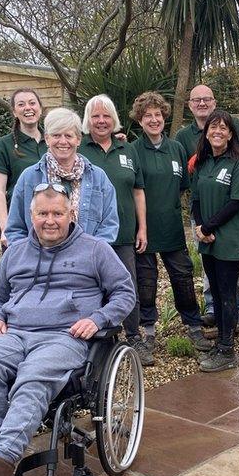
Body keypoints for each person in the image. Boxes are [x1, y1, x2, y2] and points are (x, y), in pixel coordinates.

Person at [0, 185, 134, 476]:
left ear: (71, 215)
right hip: (15, 334)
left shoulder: (95, 250)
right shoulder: (16, 252)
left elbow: (124, 293)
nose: (50, 221)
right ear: (31, 216)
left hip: (64, 338)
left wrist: (98, 318)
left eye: (57, 214)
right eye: (43, 214)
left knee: (33, 376)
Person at [127, 91, 212, 358]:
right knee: (146, 282)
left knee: (183, 277)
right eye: (147, 116)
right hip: (143, 230)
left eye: (157, 114)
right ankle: (148, 333)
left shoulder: (176, 148)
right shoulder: (131, 150)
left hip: (172, 227)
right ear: (139, 120)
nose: (154, 120)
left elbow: (184, 188)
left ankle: (194, 325)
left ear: (164, 116)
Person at [175, 84, 239, 333]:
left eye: (206, 99)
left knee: (230, 273)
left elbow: (238, 197)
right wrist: (200, 226)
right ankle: (214, 312)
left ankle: (234, 315)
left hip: (226, 221)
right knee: (211, 273)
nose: (202, 103)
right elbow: (184, 179)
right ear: (189, 105)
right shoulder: (184, 138)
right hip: (202, 217)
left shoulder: (236, 155)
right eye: (196, 100)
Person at [79, 94, 147, 354]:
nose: (101, 121)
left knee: (128, 285)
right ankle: (99, 338)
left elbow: (138, 190)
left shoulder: (127, 149)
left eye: (106, 116)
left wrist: (142, 228)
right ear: (87, 120)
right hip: (89, 237)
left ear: (114, 120)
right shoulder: (79, 149)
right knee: (91, 286)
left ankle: (133, 336)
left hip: (123, 236)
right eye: (95, 116)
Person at [4, 108, 119, 244]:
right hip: (40, 260)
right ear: (47, 139)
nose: (63, 141)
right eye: (56, 135)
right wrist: (31, 256)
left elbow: (109, 226)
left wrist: (91, 254)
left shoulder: (98, 177)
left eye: (68, 136)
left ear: (78, 139)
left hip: (86, 261)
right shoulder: (29, 177)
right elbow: (15, 229)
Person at [191, 110, 239, 372]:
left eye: (224, 128)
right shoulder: (202, 163)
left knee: (227, 294)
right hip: (208, 239)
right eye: (213, 127)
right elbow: (194, 200)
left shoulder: (238, 162)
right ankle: (221, 344)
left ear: (230, 134)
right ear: (206, 132)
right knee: (215, 293)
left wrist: (209, 226)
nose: (218, 132)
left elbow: (237, 201)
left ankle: (227, 350)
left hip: (228, 238)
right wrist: (202, 228)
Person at [0, 88, 46, 248]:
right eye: (21, 104)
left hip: (51, 223)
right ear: (14, 112)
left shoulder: (54, 140)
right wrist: (5, 228)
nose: (28, 108)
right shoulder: (4, 144)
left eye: (32, 103)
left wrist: (113, 140)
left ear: (40, 109)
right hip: (20, 225)